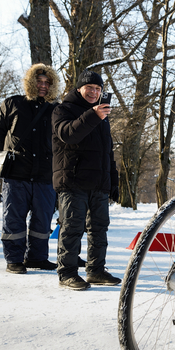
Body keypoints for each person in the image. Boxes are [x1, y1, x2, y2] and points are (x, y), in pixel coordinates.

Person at [52, 70, 121, 291]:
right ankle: (67, 273)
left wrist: (113, 181)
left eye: (98, 89)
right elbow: (68, 134)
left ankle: (96, 270)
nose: (93, 92)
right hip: (73, 180)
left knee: (99, 229)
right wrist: (92, 115)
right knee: (72, 227)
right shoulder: (63, 110)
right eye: (89, 87)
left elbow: (107, 152)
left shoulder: (102, 115)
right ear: (79, 88)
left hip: (99, 183)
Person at [0, 63, 61, 274]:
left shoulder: (56, 109)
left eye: (47, 82)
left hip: (45, 175)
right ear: (31, 82)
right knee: (14, 218)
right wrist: (5, 152)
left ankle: (37, 257)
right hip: (16, 174)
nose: (43, 86)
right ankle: (14, 259)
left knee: (43, 219)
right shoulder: (13, 103)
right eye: (39, 81)